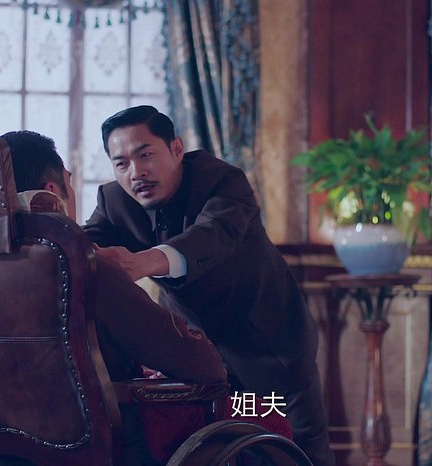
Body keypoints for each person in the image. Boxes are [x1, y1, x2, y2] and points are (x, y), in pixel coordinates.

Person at [83, 105, 335, 466]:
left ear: (176, 149)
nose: (136, 172)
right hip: (198, 355)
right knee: (215, 452)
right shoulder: (114, 201)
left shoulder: (223, 181)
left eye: (145, 155)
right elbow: (83, 247)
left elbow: (212, 236)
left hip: (268, 345)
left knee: (295, 453)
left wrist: (141, 263)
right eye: (121, 163)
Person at [1, 130, 226, 386]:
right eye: (69, 183)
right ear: (51, 193)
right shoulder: (87, 272)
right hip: (111, 411)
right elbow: (205, 365)